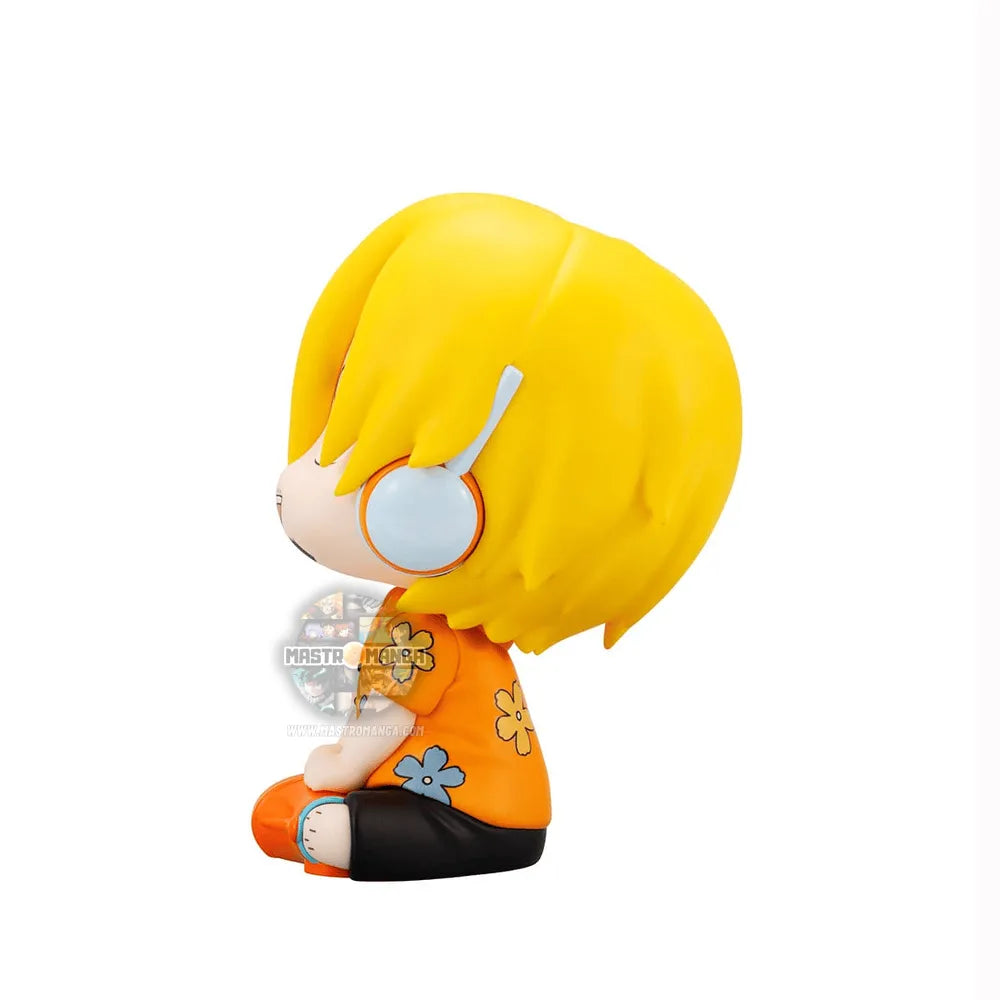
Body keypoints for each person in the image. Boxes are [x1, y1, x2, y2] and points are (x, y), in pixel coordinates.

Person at [252, 193, 741, 880]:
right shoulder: (422, 614)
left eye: (385, 466)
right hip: (474, 805)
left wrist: (335, 767)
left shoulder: (421, 628)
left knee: (297, 820)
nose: (304, 478)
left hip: (464, 816)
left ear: (440, 508)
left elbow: (379, 728)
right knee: (291, 813)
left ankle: (339, 837)